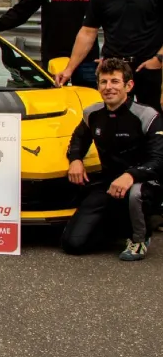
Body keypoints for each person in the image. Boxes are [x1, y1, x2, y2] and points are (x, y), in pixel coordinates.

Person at [62, 59, 163, 260]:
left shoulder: (148, 115)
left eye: (115, 82)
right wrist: (75, 159)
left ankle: (139, 239)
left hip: (147, 182)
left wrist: (131, 175)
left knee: (136, 193)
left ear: (129, 85)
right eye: (103, 82)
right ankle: (120, 226)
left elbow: (159, 160)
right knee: (73, 244)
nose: (108, 87)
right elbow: (78, 138)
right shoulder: (93, 113)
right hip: (110, 183)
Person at [56, 0, 163, 110]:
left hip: (148, 69)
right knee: (113, 123)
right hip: (114, 70)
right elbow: (88, 32)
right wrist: (69, 70)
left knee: (152, 123)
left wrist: (158, 59)